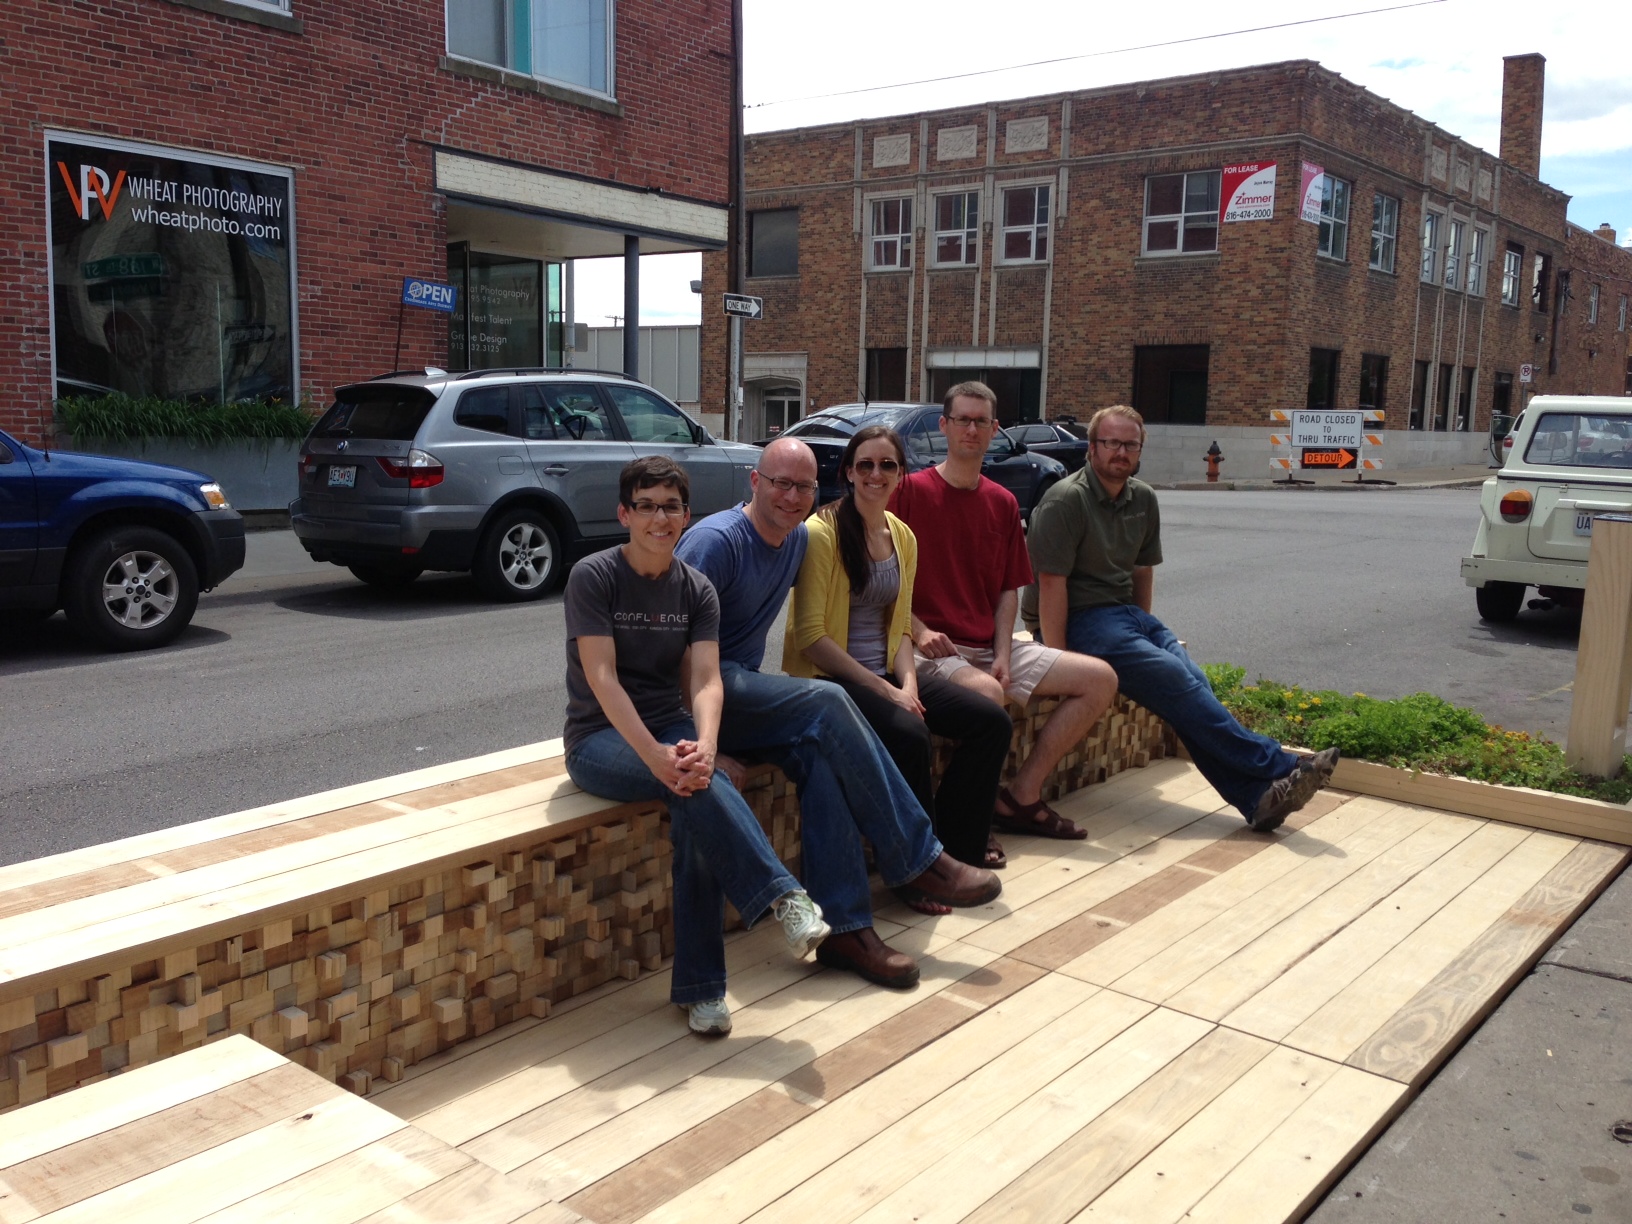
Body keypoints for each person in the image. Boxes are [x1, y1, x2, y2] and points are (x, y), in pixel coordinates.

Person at [675, 435, 1001, 991]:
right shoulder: (715, 543)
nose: (791, 495)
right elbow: (669, 653)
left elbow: (866, 569)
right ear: (754, 482)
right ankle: (919, 856)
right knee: (830, 699)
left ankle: (846, 932)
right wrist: (701, 742)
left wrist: (910, 659)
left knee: (821, 757)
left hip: (739, 695)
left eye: (803, 485)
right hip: (698, 697)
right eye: (780, 482)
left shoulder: (796, 540)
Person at [562, 456, 830, 1037]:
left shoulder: (695, 589)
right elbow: (602, 679)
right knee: (690, 786)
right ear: (625, 513)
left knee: (696, 795)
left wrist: (703, 746)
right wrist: (658, 759)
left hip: (668, 731)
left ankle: (702, 993)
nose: (661, 518)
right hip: (599, 740)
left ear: (686, 515)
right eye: (648, 506)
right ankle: (785, 900)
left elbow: (707, 680)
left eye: (672, 506)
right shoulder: (594, 576)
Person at [1022, 404, 1338, 831]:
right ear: (1092, 448)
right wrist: (1058, 659)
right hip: (1075, 619)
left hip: (1124, 618)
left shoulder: (1142, 497)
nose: (1120, 452)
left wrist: (1144, 637)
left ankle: (1257, 799)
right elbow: (1051, 585)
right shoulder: (1066, 500)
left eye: (1129, 444)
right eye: (1111, 443)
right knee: (1176, 680)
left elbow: (1141, 570)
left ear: (1139, 451)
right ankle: (1277, 764)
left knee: (1193, 684)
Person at [781, 425, 1016, 898]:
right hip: (833, 680)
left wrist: (908, 683)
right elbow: (811, 638)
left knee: (991, 721)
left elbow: (900, 626)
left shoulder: (902, 536)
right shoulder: (821, 533)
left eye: (887, 465)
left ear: (901, 474)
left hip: (888, 672)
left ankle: (954, 849)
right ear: (848, 472)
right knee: (911, 737)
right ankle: (913, 870)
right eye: (865, 464)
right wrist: (887, 691)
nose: (875, 473)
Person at [890, 381, 1120, 859]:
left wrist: (1001, 653)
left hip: (987, 644)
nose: (971, 430)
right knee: (988, 696)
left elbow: (1006, 592)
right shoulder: (908, 493)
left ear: (995, 430)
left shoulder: (1002, 503)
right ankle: (965, 820)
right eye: (962, 420)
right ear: (944, 427)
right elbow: (883, 582)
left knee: (1100, 679)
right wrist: (920, 628)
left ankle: (1019, 796)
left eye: (981, 422)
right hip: (929, 648)